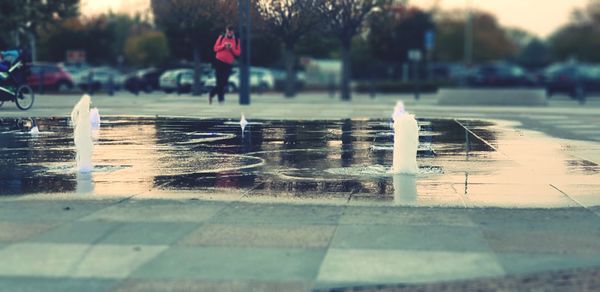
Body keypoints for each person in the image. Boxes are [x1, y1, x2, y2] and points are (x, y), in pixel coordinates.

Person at [209, 25, 241, 104]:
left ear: (233, 32)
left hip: (228, 63)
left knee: (224, 81)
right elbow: (215, 48)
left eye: (231, 31)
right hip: (219, 61)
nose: (229, 33)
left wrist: (232, 48)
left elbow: (238, 53)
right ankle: (221, 99)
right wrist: (223, 46)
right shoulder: (221, 37)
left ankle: (212, 93)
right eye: (228, 31)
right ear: (226, 31)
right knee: (219, 81)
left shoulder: (236, 40)